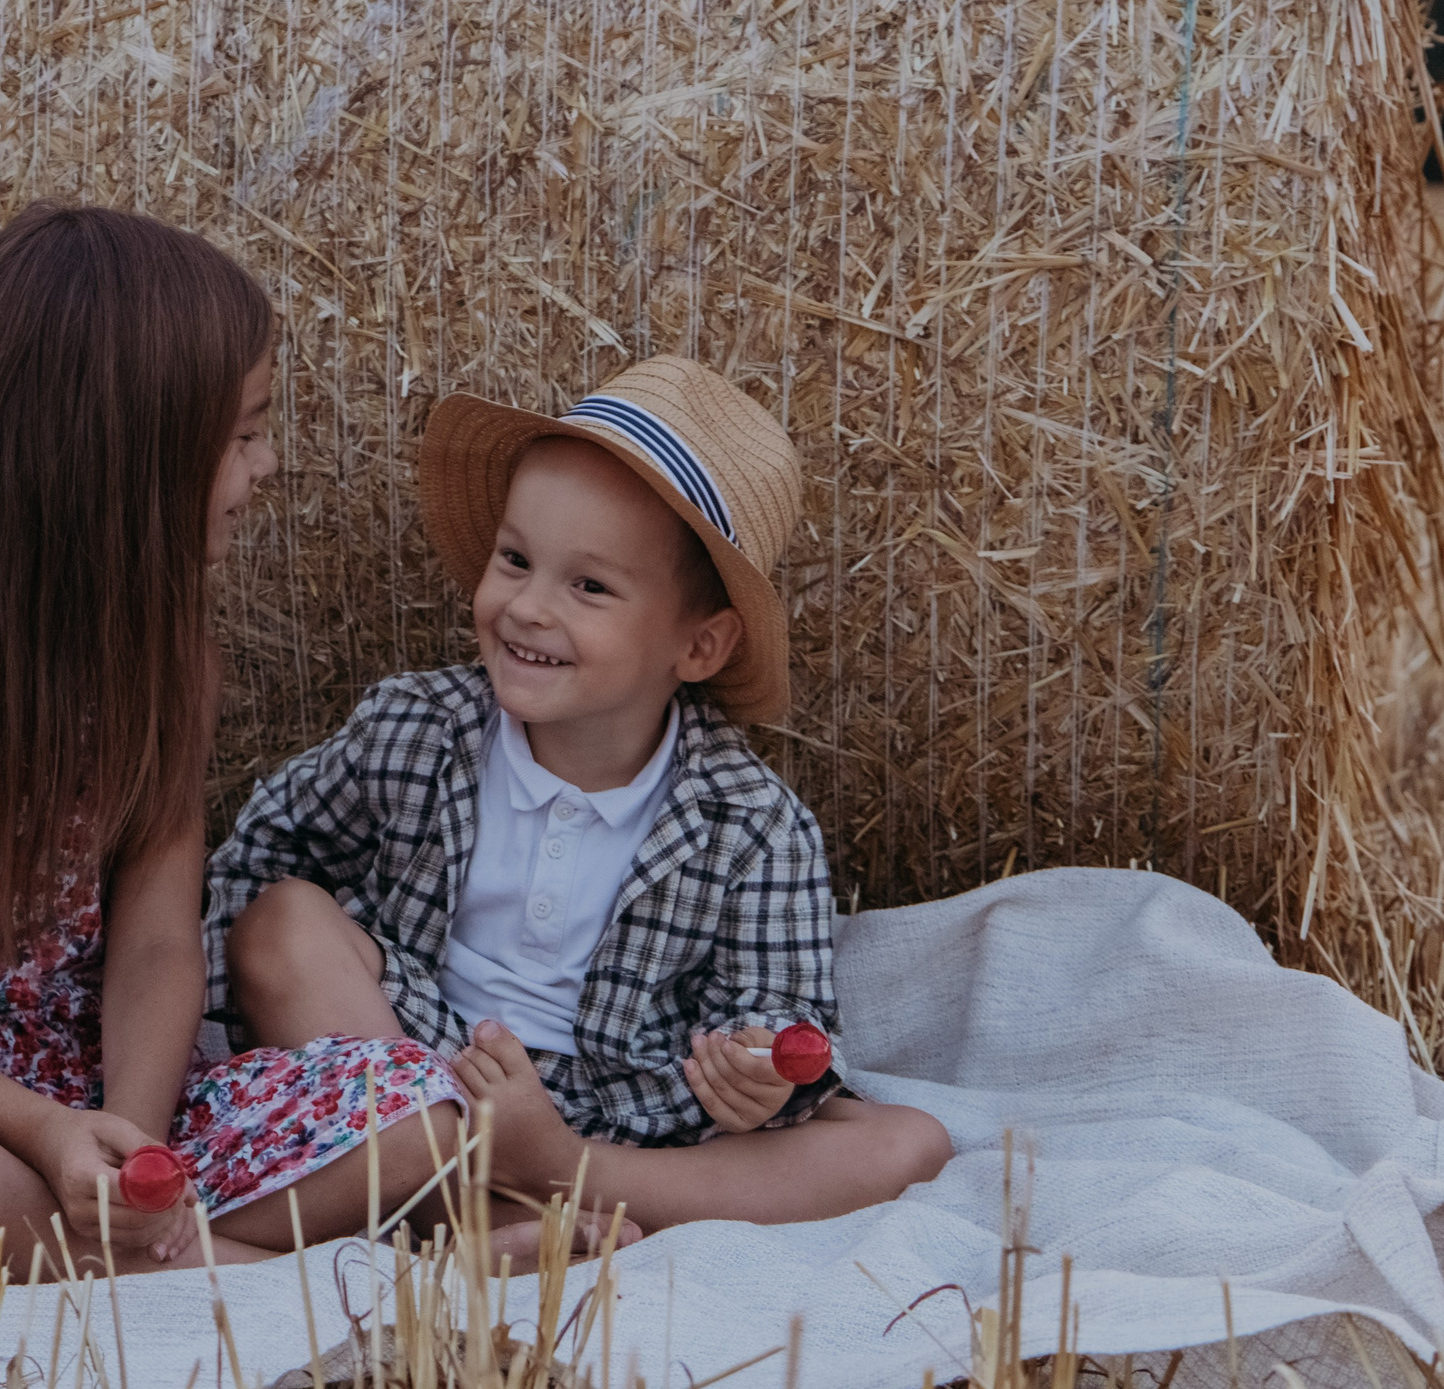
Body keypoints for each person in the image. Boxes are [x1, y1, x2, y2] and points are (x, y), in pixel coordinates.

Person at [0, 203, 470, 1280]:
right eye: (243, 435)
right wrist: (41, 1132)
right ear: (123, 455)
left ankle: (126, 1246)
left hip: (86, 1083)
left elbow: (159, 942)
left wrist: (133, 1148)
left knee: (419, 1112)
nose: (266, 465)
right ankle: (234, 1266)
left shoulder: (169, 656)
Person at [209, 356, 954, 1231]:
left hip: (629, 1115)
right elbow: (260, 856)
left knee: (909, 1142)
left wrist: (761, 1075)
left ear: (699, 647)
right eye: (516, 559)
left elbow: (781, 1012)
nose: (528, 607)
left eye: (589, 586)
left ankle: (542, 1183)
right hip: (424, 1064)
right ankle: (477, 1205)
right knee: (282, 920)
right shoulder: (416, 728)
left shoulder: (751, 822)